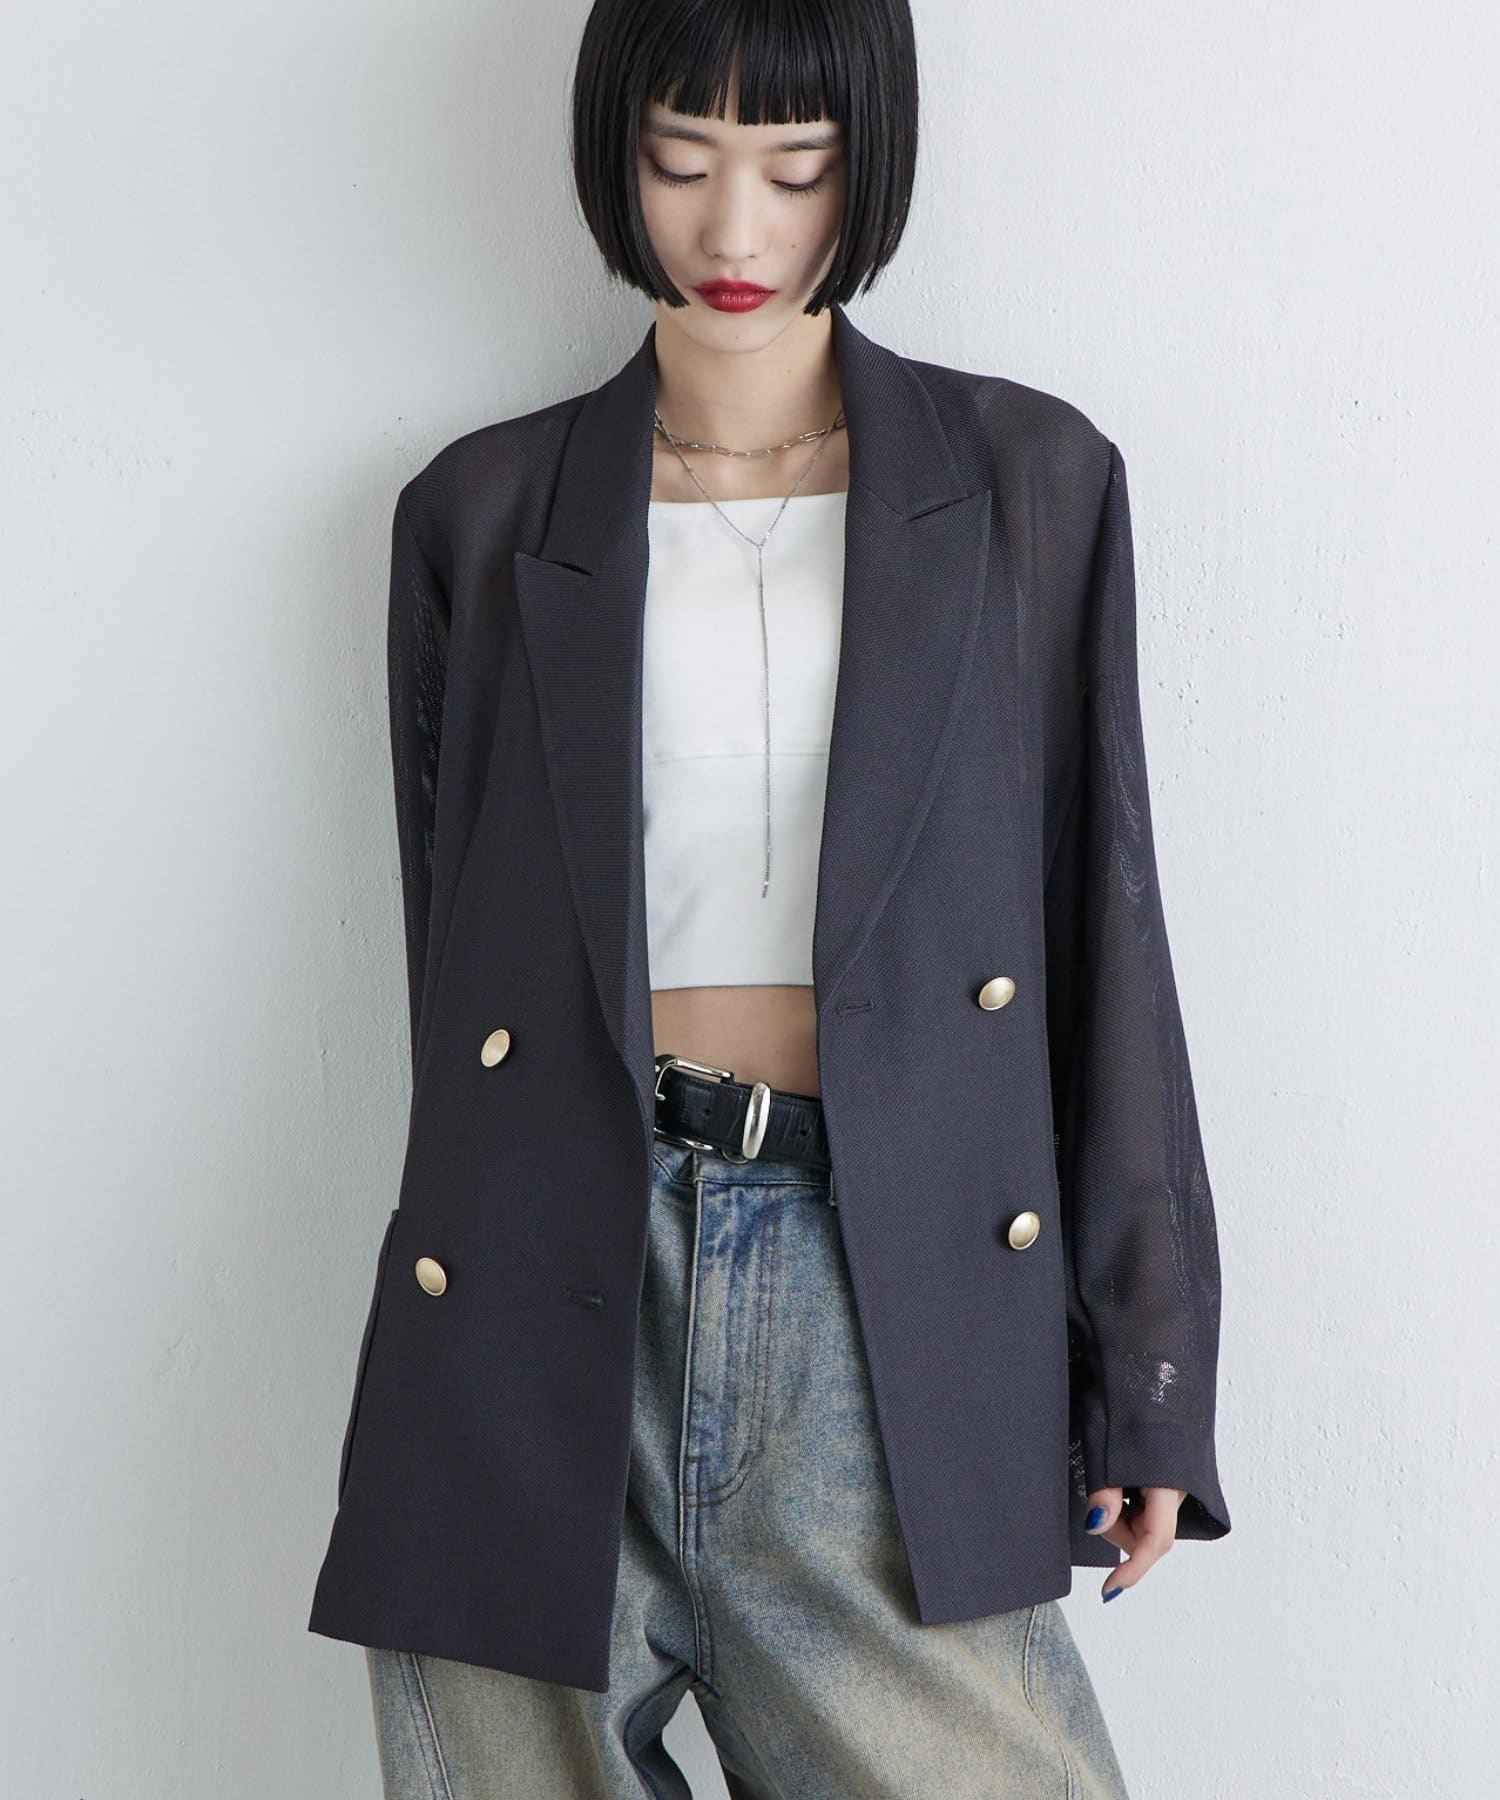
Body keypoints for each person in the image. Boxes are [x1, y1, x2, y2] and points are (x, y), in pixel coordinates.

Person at [308, 1, 1232, 1793]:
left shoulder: (1028, 486)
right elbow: (461, 970)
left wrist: (1151, 1369)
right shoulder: (482, 517)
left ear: (867, 164)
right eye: (682, 159)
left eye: (797, 167)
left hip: (885, 1289)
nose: (735, 229)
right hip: (541, 1299)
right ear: (616, 154)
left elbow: (1104, 939)